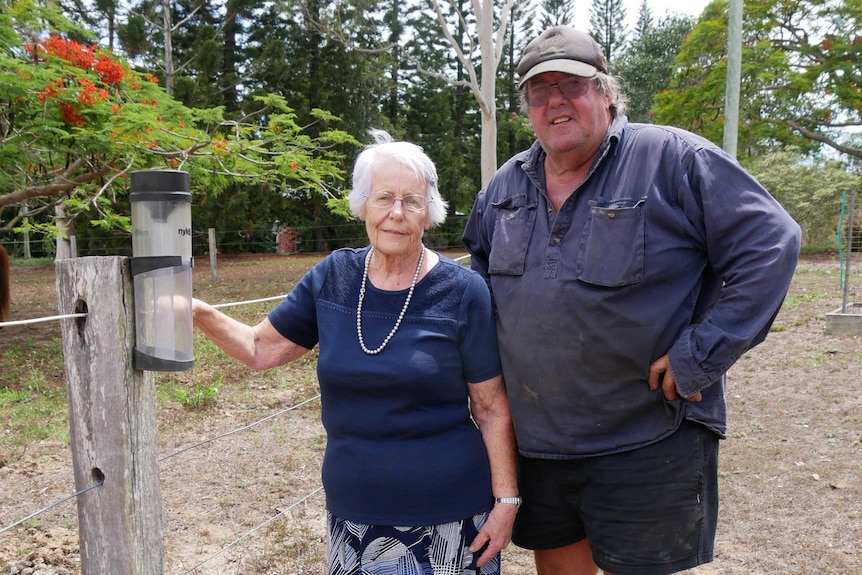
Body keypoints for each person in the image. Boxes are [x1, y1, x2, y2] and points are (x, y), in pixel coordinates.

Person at [462, 25, 801, 575]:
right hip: (539, 439)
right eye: (539, 90)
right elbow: (473, 284)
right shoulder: (504, 187)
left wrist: (701, 354)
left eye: (571, 84)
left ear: (606, 92)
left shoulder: (673, 159)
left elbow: (772, 242)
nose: (555, 101)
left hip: (646, 436)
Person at [193, 129, 518, 575]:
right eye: (384, 198)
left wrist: (506, 503)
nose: (397, 214)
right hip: (354, 515)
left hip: (450, 517)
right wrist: (198, 312)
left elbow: (490, 406)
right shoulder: (334, 278)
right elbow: (258, 348)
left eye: (412, 201)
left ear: (430, 213)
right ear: (363, 205)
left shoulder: (462, 292)